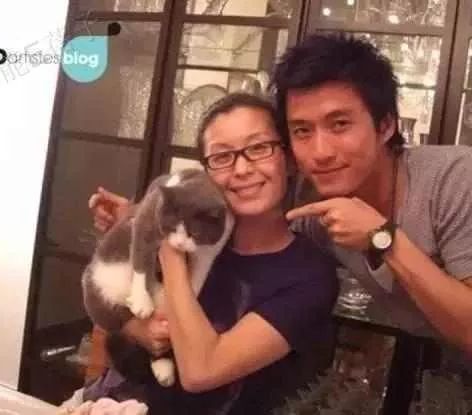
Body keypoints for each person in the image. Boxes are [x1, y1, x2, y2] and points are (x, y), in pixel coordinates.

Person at [272, 33, 472, 412]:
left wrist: (382, 238)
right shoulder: (317, 212)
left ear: (386, 125)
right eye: (302, 131)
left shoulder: (458, 179)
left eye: (339, 124)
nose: (320, 152)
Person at [84, 93, 339, 415]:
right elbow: (109, 308)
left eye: (259, 148)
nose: (242, 169)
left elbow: (200, 372)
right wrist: (137, 327)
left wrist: (168, 249)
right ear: (205, 172)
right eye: (222, 156)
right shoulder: (191, 232)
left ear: (288, 160)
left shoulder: (309, 275)